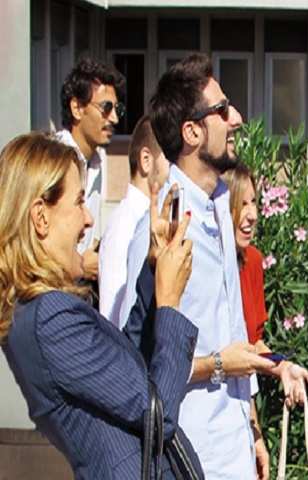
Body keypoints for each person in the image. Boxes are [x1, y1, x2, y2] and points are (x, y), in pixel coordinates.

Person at [0, 133, 202, 479]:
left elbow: (128, 369)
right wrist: (170, 303)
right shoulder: (49, 318)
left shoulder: (42, 311)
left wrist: (152, 275)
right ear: (41, 217)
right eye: (79, 202)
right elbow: (159, 416)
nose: (88, 220)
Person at [120, 53, 277, 479]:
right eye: (222, 110)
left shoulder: (220, 204)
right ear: (191, 132)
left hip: (235, 447)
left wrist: (253, 431)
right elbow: (138, 364)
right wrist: (219, 364)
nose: (236, 119)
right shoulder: (161, 227)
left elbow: (233, 329)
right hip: (192, 456)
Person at [222, 163, 308, 405]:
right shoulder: (202, 265)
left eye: (253, 202)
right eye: (241, 204)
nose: (252, 215)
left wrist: (283, 367)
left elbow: (254, 344)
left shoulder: (252, 260)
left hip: (241, 400)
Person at [56, 57, 125, 284]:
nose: (114, 118)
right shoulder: (53, 161)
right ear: (77, 108)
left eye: (117, 109)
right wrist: (79, 266)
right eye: (106, 108)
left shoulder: (96, 162)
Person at [99, 116, 170, 327]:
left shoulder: (149, 217)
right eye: (170, 158)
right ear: (146, 160)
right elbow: (112, 317)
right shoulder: (123, 225)